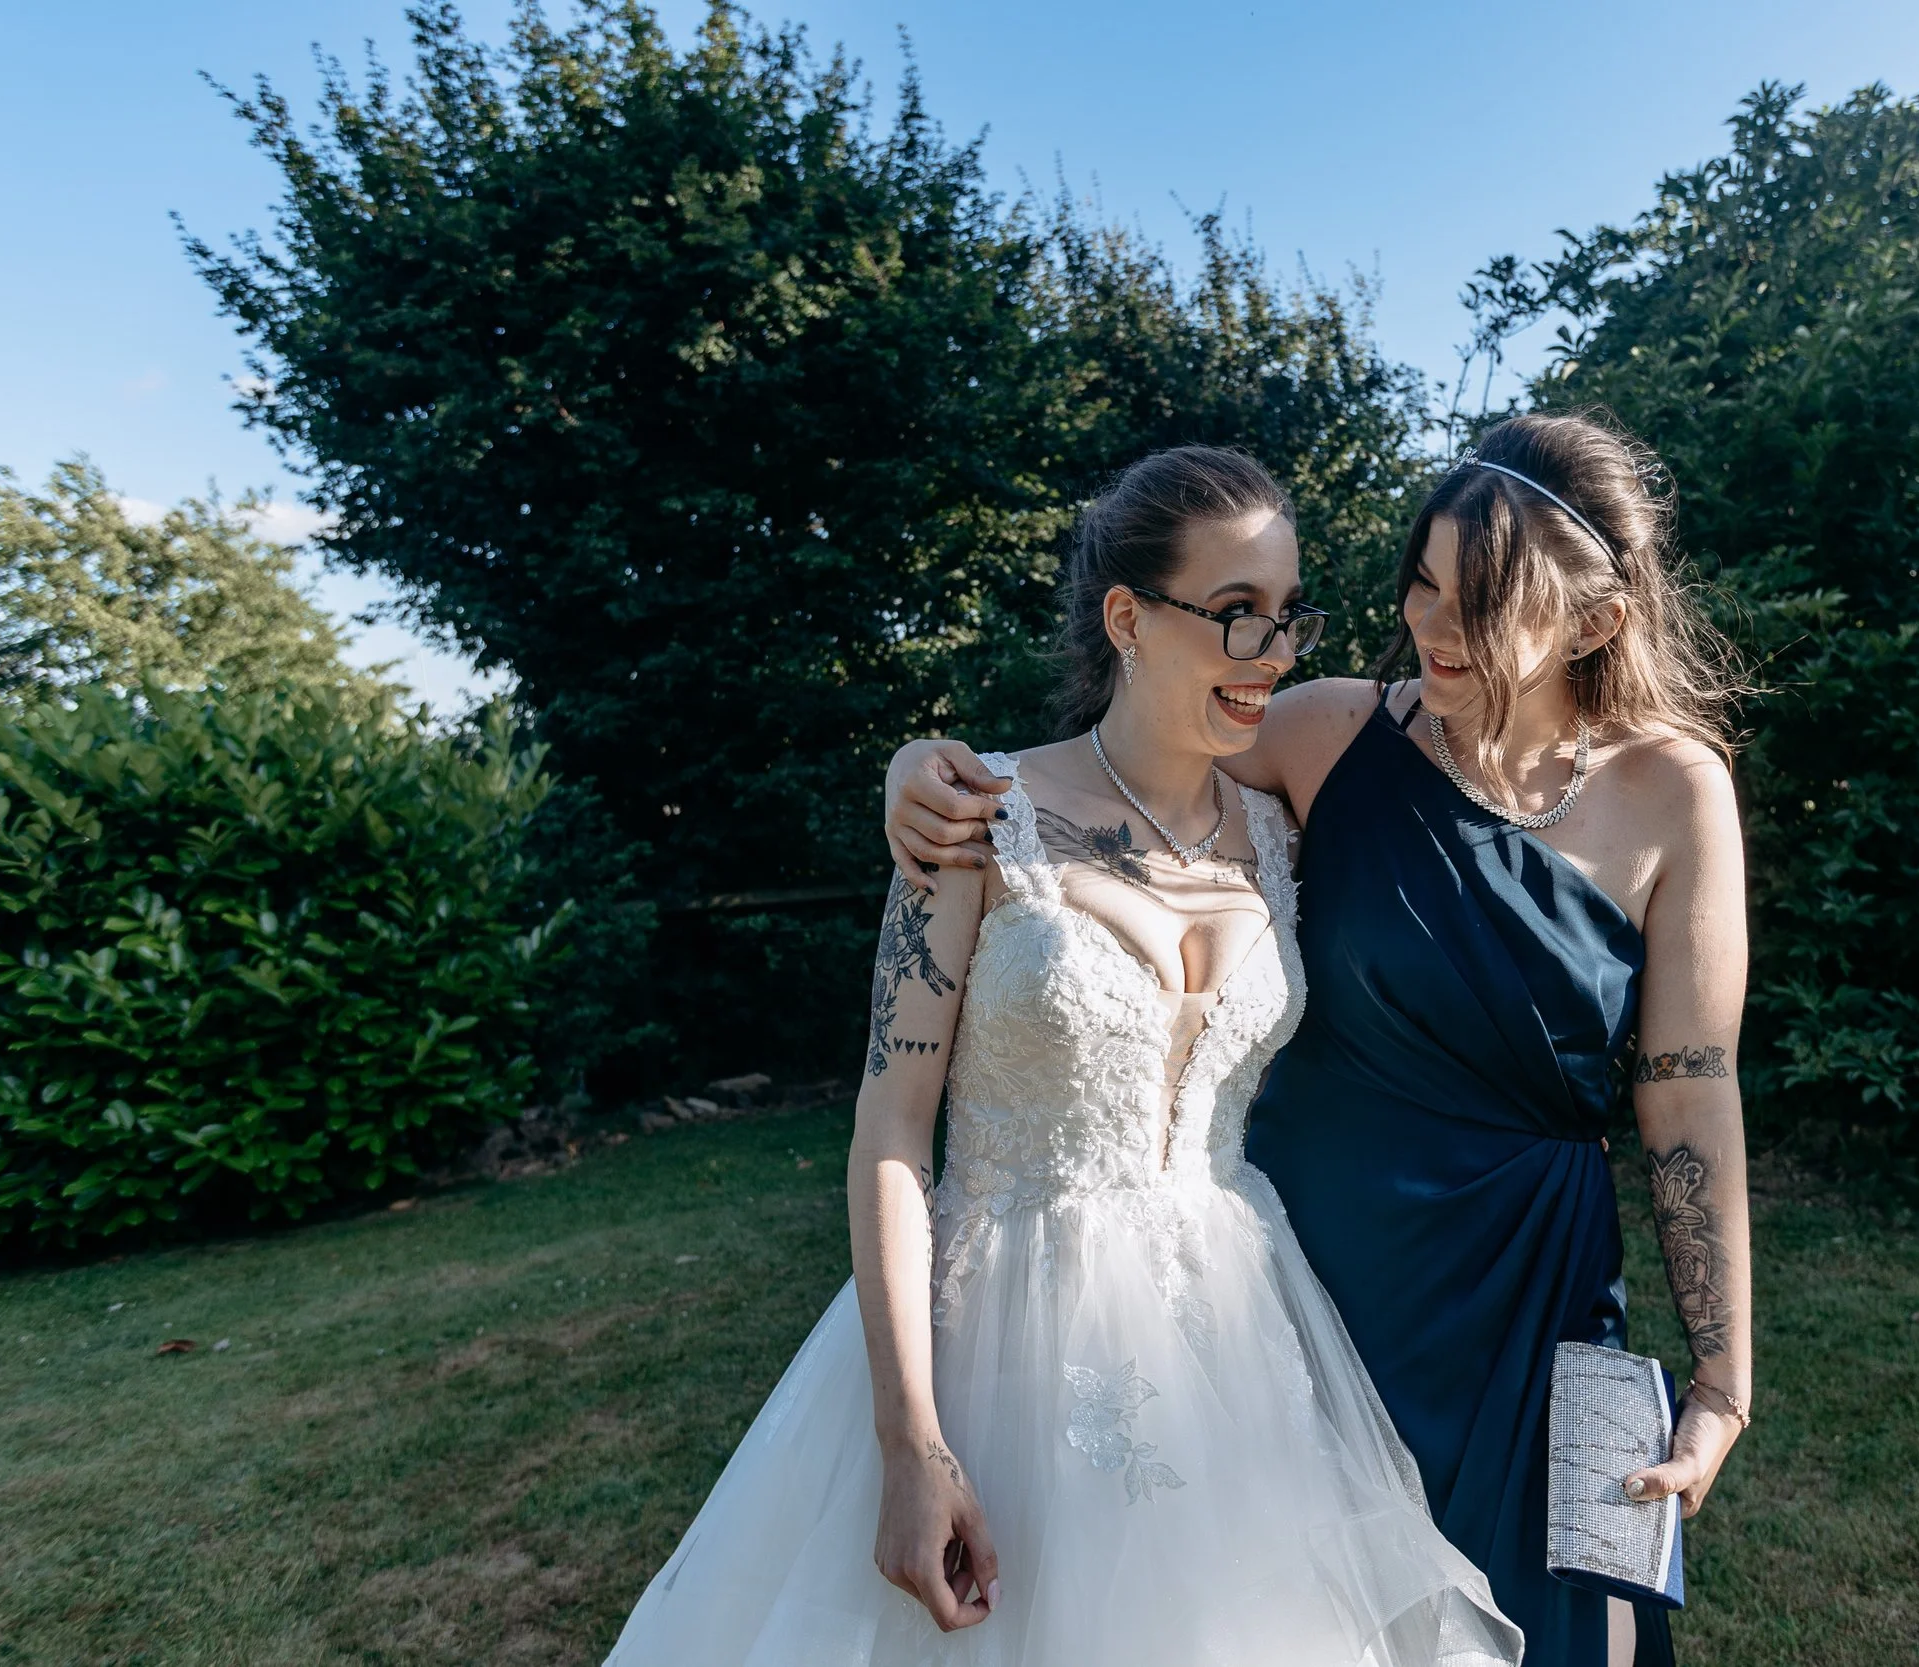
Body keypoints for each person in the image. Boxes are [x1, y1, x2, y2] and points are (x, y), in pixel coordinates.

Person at [605, 447, 1520, 1666]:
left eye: (1288, 613)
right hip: (999, 1341)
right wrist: (911, 1440)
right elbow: (891, 1129)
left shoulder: (1285, 827)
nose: (1273, 651)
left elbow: (1505, 761)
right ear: (1128, 619)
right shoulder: (974, 820)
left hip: (1235, 1336)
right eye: (1236, 612)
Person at [886, 411, 1754, 1667]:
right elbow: (1124, 775)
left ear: (1592, 623)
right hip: (1315, 1295)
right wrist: (925, 771)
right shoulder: (1327, 734)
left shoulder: (1674, 788)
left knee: (1575, 1634)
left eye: (1479, 603)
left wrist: (1721, 1377)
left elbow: (1689, 1092)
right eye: (1421, 583)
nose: (1430, 625)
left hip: (1541, 1294)